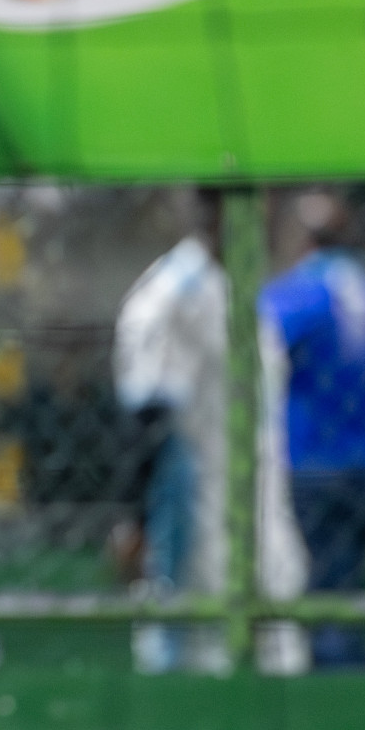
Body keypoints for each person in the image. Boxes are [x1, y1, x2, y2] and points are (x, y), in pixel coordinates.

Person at [258, 191, 365, 670]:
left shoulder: (300, 292)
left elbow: (260, 343)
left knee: (317, 580)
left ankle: (331, 679)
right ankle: (352, 665)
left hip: (311, 456)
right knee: (350, 578)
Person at [112, 188, 230, 674]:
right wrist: (136, 523)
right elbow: (150, 417)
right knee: (183, 657)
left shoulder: (233, 288)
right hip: (193, 517)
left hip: (244, 521)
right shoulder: (174, 293)